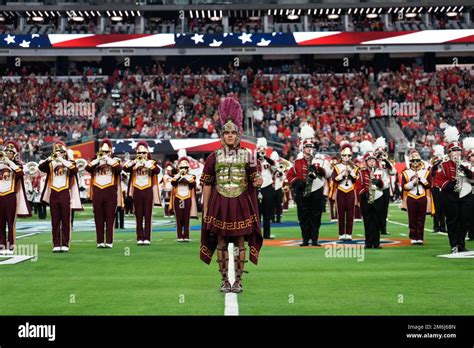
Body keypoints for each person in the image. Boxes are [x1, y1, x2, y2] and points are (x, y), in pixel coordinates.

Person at [200, 97, 263, 294]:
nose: (229, 135)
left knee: (240, 241)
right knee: (220, 241)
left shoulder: (248, 156)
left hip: (241, 202)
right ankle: (224, 280)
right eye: (226, 132)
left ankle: (238, 281)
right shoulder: (213, 157)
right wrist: (206, 209)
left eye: (232, 132)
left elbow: (255, 179)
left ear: (238, 134)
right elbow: (208, 183)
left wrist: (258, 181)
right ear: (222, 134)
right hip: (219, 203)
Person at [287, 125, 332, 247]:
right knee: (303, 216)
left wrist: (318, 169)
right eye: (307, 147)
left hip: (316, 191)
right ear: (303, 148)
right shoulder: (297, 162)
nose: (309, 149)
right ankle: (305, 239)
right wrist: (299, 183)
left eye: (311, 147)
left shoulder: (320, 160)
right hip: (302, 192)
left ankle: (315, 239)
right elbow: (290, 176)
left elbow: (328, 173)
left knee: (316, 217)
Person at [39, 141, 83, 253]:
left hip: (64, 192)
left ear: (64, 153)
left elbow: (74, 170)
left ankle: (65, 243)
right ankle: (56, 243)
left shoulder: (69, 163)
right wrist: (51, 158)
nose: (58, 154)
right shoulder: (50, 163)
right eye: (56, 152)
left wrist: (62, 160)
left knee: (65, 219)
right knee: (55, 220)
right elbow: (41, 167)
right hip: (54, 193)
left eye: (60, 152)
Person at [438, 127, 472, 253]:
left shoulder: (466, 164)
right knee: (452, 222)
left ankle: (461, 245)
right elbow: (439, 181)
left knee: (464, 221)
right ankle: (454, 245)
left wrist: (467, 172)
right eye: (454, 151)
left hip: (465, 196)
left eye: (458, 151)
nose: (457, 153)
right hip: (450, 197)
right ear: (449, 153)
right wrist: (451, 184)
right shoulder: (444, 165)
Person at [85, 139, 123, 248]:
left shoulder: (115, 160)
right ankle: (100, 241)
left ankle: (109, 241)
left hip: (110, 192)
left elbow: (119, 169)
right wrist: (98, 159)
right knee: (98, 218)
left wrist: (108, 159)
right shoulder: (95, 161)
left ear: (110, 151)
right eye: (103, 151)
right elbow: (87, 168)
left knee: (110, 217)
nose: (104, 154)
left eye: (106, 151)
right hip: (97, 192)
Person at [123, 141, 161, 246]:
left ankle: (147, 237)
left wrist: (146, 163)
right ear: (137, 153)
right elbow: (125, 169)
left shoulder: (151, 162)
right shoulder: (134, 162)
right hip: (137, 190)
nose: (142, 155)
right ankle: (139, 237)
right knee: (138, 215)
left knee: (148, 215)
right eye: (140, 153)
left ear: (147, 153)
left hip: (148, 190)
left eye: (144, 153)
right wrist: (134, 162)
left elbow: (157, 171)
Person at [0, 141, 31, 254]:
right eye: (6, 152)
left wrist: (8, 162)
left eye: (10, 152)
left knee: (10, 222)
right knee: (1, 223)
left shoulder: (17, 165)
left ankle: (11, 246)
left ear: (14, 154)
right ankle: (2, 245)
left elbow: (19, 174)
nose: (7, 154)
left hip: (10, 196)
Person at [401, 150, 434, 245]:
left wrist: (421, 180)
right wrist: (412, 183)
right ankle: (413, 237)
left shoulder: (426, 172)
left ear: (420, 161)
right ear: (410, 162)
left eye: (417, 161)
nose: (415, 163)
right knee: (412, 218)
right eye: (413, 161)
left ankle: (420, 237)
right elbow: (404, 187)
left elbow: (429, 185)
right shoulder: (406, 173)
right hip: (411, 196)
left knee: (421, 218)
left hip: (422, 196)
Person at [356, 150, 387, 249]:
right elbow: (358, 186)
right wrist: (365, 193)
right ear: (366, 162)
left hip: (378, 197)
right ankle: (368, 242)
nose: (371, 162)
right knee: (367, 221)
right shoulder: (361, 172)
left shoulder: (380, 171)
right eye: (369, 161)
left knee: (377, 221)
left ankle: (376, 243)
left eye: (373, 160)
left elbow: (386, 184)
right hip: (366, 198)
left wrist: (379, 184)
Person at [331, 143, 359, 241]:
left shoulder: (354, 167)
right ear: (341, 155)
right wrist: (342, 175)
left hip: (350, 190)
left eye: (349, 155)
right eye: (345, 155)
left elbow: (356, 180)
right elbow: (334, 179)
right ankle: (341, 233)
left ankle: (349, 233)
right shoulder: (337, 166)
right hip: (341, 190)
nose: (347, 157)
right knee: (341, 213)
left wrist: (351, 172)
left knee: (351, 213)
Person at [169, 156, 198, 242]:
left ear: (188, 168)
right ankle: (179, 236)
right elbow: (173, 183)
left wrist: (186, 176)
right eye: (181, 167)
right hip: (178, 198)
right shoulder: (176, 176)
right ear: (178, 168)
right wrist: (180, 175)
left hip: (187, 198)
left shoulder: (191, 177)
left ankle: (186, 235)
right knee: (179, 218)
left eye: (185, 168)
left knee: (186, 218)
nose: (183, 169)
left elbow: (193, 184)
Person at [374, 137, 397, 235]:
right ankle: (376, 228)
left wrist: (386, 161)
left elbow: (393, 172)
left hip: (385, 188)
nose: (380, 157)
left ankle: (383, 229)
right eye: (379, 156)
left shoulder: (386, 164)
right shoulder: (372, 164)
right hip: (376, 189)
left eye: (381, 155)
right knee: (376, 209)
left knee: (384, 210)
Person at [256, 137, 276, 239]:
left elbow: (275, 169)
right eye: (260, 149)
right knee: (257, 213)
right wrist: (256, 158)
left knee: (267, 212)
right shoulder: (253, 160)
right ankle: (257, 234)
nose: (261, 151)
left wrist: (267, 159)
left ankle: (267, 234)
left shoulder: (269, 160)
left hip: (267, 186)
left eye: (263, 149)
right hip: (257, 187)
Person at [430, 145, 447, 233]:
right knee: (436, 208)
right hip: (436, 189)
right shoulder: (434, 169)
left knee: (443, 209)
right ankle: (436, 226)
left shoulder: (445, 169)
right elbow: (431, 172)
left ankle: (443, 227)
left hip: (443, 189)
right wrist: (436, 163)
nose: (440, 162)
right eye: (437, 161)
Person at [463, 137, 474, 241]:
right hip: (469, 193)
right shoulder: (466, 167)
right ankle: (471, 234)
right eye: (472, 156)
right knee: (469, 215)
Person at [271, 151, 285, 223]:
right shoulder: (269, 166)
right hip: (272, 187)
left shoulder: (280, 166)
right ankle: (272, 218)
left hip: (278, 187)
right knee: (271, 204)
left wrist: (280, 173)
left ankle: (279, 218)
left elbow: (283, 177)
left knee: (278, 204)